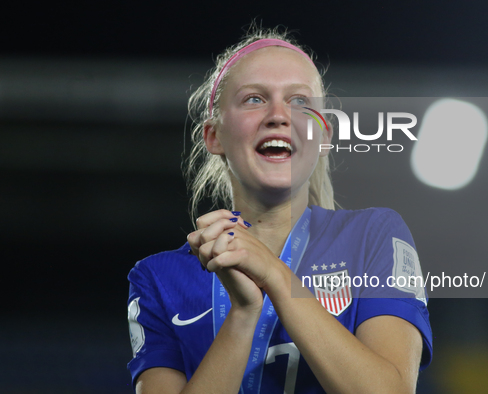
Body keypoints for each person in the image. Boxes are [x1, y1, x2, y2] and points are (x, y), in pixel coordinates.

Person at [126, 26, 432, 394]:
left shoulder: (374, 235)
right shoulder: (158, 278)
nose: (278, 115)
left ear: (323, 136)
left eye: (300, 101)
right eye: (254, 99)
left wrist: (273, 273)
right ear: (214, 136)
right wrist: (243, 314)